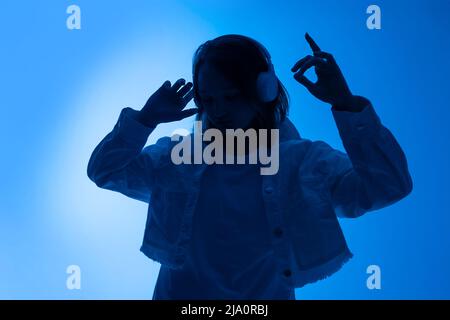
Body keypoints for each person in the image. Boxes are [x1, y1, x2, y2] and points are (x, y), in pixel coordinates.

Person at [87, 33, 413, 300]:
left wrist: (345, 103)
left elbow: (387, 186)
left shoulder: (304, 164)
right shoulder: (176, 159)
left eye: (230, 97)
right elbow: (106, 171)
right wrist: (145, 120)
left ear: (264, 91)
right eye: (209, 99)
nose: (219, 110)